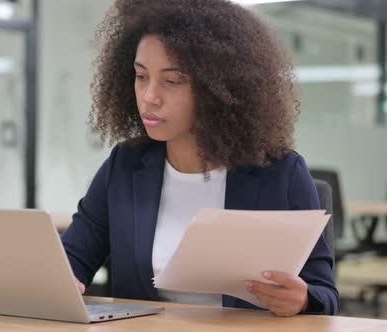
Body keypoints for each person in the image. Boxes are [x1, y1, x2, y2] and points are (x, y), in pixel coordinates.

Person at [60, 0, 338, 317]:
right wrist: (64, 278)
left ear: (216, 88)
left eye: (172, 80)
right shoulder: (124, 165)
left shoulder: (280, 172)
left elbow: (324, 293)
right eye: (141, 76)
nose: (149, 96)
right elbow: (72, 257)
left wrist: (301, 300)